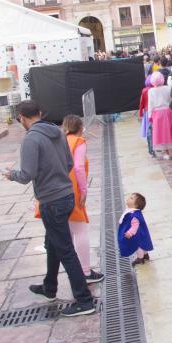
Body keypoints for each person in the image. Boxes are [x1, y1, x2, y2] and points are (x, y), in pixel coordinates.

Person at [4, 100, 95, 317]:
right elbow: (69, 164)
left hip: (51, 200)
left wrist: (11, 174)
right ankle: (49, 287)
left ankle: (84, 299)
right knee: (52, 243)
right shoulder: (57, 131)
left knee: (64, 248)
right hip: (65, 195)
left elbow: (26, 174)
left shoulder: (31, 139)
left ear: (22, 118)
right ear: (40, 113)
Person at [62, 115, 103, 283]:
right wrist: (84, 189)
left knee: (69, 231)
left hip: (59, 188)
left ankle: (73, 270)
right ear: (80, 128)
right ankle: (85, 271)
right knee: (80, 230)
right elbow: (78, 167)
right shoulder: (79, 142)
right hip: (73, 189)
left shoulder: (60, 141)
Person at [148, 71, 172, 159]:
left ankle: (165, 152)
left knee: (161, 133)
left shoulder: (151, 91)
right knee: (171, 131)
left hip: (157, 114)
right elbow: (171, 99)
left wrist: (150, 116)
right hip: (168, 111)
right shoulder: (168, 88)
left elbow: (150, 104)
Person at [118, 193, 153, 266]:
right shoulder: (132, 211)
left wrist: (130, 233)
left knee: (137, 246)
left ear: (136, 205)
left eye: (131, 198)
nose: (128, 198)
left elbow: (135, 226)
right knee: (143, 244)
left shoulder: (134, 215)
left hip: (136, 235)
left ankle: (140, 258)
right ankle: (146, 255)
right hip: (140, 233)